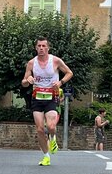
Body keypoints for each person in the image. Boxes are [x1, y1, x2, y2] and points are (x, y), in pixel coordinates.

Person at [21, 36, 73, 166]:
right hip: (37, 98)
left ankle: (53, 138)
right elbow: (23, 82)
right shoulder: (31, 63)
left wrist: (60, 82)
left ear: (48, 48)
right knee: (39, 129)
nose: (41, 48)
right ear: (36, 48)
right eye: (39, 46)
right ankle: (46, 156)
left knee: (50, 126)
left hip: (51, 97)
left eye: (44, 46)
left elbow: (69, 73)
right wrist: (28, 80)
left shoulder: (55, 61)